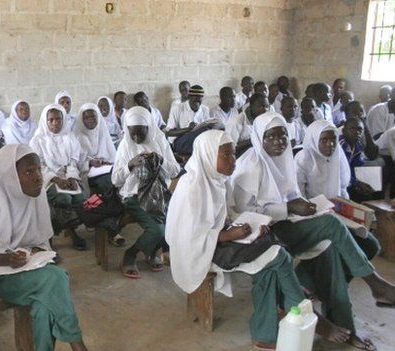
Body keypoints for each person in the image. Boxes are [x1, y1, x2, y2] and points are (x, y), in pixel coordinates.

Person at [232, 112, 395, 350]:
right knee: (331, 226)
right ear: (259, 138)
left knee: (330, 251)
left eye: (283, 135)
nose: (279, 141)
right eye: (271, 137)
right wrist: (287, 207)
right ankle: (375, 284)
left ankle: (344, 322)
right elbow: (243, 213)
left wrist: (304, 206)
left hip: (287, 225)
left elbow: (291, 194)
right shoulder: (251, 163)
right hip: (263, 234)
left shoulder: (284, 158)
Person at [166, 131, 318, 350]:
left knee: (270, 261)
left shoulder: (219, 179)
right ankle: (301, 310)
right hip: (197, 252)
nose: (233, 160)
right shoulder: (192, 186)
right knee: (279, 255)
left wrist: (255, 223)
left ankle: (265, 333)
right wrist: (228, 235)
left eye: (234, 153)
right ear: (208, 155)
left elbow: (229, 214)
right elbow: (185, 236)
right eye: (226, 155)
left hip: (217, 241)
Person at [0, 144, 89, 351]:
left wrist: (38, 251)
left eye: (38, 169)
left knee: (45, 305)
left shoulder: (36, 197)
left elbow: (40, 239)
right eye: (29, 172)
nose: (38, 177)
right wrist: (5, 259)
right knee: (56, 277)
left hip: (31, 270)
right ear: (10, 176)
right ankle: (78, 344)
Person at [295, 120, 382, 270]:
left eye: (333, 139)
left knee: (371, 246)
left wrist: (349, 212)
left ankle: (344, 276)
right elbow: (299, 198)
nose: (330, 145)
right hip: (312, 216)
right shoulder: (304, 159)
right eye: (324, 140)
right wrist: (320, 212)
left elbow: (342, 188)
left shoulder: (337, 154)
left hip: (337, 212)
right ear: (315, 139)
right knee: (335, 248)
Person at [112, 106, 180, 279]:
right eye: (132, 133)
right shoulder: (125, 146)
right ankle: (130, 254)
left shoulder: (160, 141)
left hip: (159, 194)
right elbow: (115, 180)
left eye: (140, 133)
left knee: (174, 222)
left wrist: (161, 160)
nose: (136, 138)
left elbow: (174, 171)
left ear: (149, 127)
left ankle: (151, 253)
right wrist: (130, 165)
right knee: (158, 229)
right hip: (134, 195)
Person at [29, 104, 87, 250]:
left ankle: (70, 230)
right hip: (48, 178)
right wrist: (56, 179)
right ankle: (53, 236)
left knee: (81, 199)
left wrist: (72, 177)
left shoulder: (70, 137)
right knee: (64, 199)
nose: (55, 123)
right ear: (45, 121)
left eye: (58, 119)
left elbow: (74, 161)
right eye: (51, 120)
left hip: (68, 176)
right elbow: (39, 166)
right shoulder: (37, 140)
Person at [74, 103, 117, 194]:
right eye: (86, 118)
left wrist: (106, 161)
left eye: (93, 116)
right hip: (87, 172)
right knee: (106, 182)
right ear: (82, 119)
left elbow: (112, 155)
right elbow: (75, 164)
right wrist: (89, 163)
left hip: (106, 168)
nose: (90, 120)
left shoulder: (102, 131)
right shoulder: (77, 137)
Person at [339, 115, 382, 203]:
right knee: (359, 195)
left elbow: (356, 169)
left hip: (349, 180)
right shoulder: (340, 146)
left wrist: (361, 183)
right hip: (338, 181)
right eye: (352, 129)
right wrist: (356, 183)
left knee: (372, 192)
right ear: (343, 131)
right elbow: (339, 172)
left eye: (360, 129)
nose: (357, 132)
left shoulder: (358, 146)